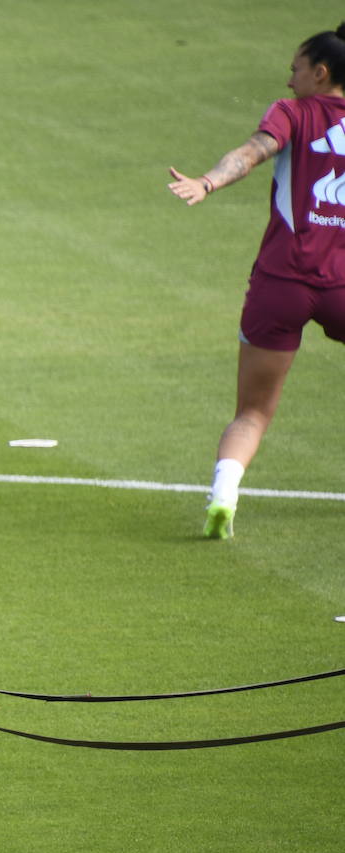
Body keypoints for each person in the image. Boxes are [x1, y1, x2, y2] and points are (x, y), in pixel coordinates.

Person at [168, 23, 345, 539]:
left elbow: (250, 154)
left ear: (320, 72)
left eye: (295, 69)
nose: (289, 81)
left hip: (280, 283)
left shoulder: (292, 113)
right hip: (341, 286)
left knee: (252, 412)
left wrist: (206, 181)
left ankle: (223, 496)